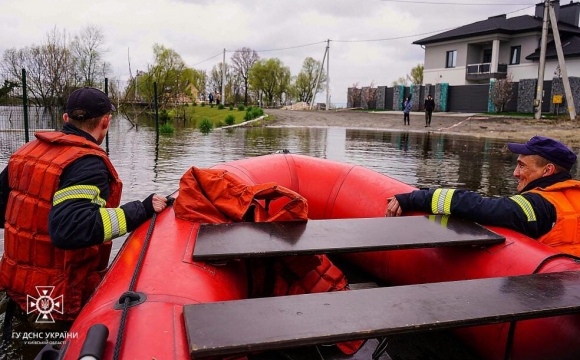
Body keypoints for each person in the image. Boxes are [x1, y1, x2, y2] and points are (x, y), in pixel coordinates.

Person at [0, 87, 168, 324]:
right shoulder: (87, 163)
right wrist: (140, 210)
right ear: (106, 122)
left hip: (16, 287)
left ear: (65, 119)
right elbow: (70, 230)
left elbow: (4, 214)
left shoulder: (26, 153)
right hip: (56, 298)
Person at [386, 136, 580, 256]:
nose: (515, 173)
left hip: (558, 293)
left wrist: (415, 198)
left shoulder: (539, 204)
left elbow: (478, 207)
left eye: (522, 166)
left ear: (547, 171)